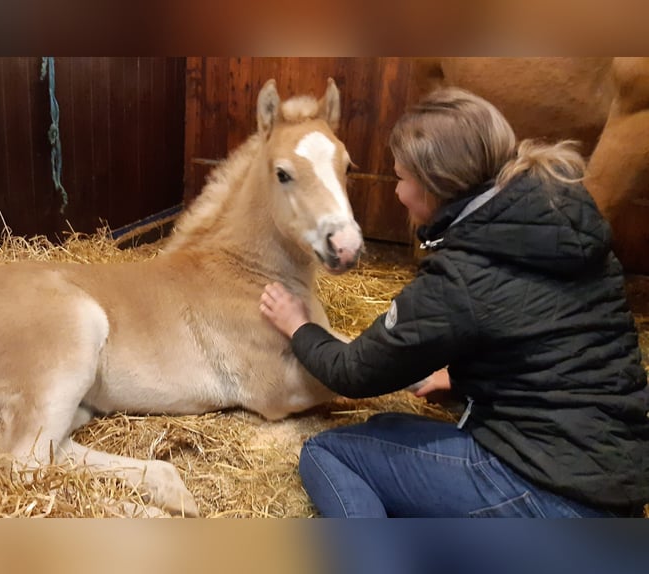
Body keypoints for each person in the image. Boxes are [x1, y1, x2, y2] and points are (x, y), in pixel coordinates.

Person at [259, 87, 649, 518]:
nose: (397, 192)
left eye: (402, 178)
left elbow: (353, 373)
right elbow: (546, 341)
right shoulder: (570, 234)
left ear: (433, 186)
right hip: (619, 488)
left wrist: (298, 325)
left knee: (329, 453)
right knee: (386, 429)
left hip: (541, 497)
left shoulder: (462, 274)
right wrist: (464, 382)